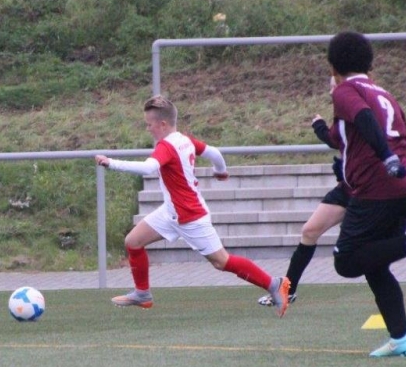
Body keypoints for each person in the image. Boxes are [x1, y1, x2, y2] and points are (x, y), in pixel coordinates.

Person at [95, 95, 292, 317]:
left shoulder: (166, 146)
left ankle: (274, 284)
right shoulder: (184, 140)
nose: (148, 129)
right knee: (133, 241)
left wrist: (111, 163)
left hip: (190, 216)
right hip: (171, 211)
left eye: (149, 124)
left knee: (221, 261)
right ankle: (143, 294)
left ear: (163, 124)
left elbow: (148, 168)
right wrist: (220, 171)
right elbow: (214, 153)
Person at [321, 31, 406, 357]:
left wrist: (385, 158)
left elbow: (365, 120)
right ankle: (402, 337)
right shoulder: (383, 92)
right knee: (376, 263)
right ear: (370, 64)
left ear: (333, 66)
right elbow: (364, 135)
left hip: (379, 187)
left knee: (346, 260)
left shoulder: (345, 90)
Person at [257, 76, 351, 308]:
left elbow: (338, 140)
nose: (331, 91)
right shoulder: (343, 111)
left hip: (365, 189)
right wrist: (321, 127)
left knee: (361, 253)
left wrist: (319, 126)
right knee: (310, 231)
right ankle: (287, 291)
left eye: (334, 86)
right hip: (347, 187)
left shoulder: (358, 109)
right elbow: (338, 140)